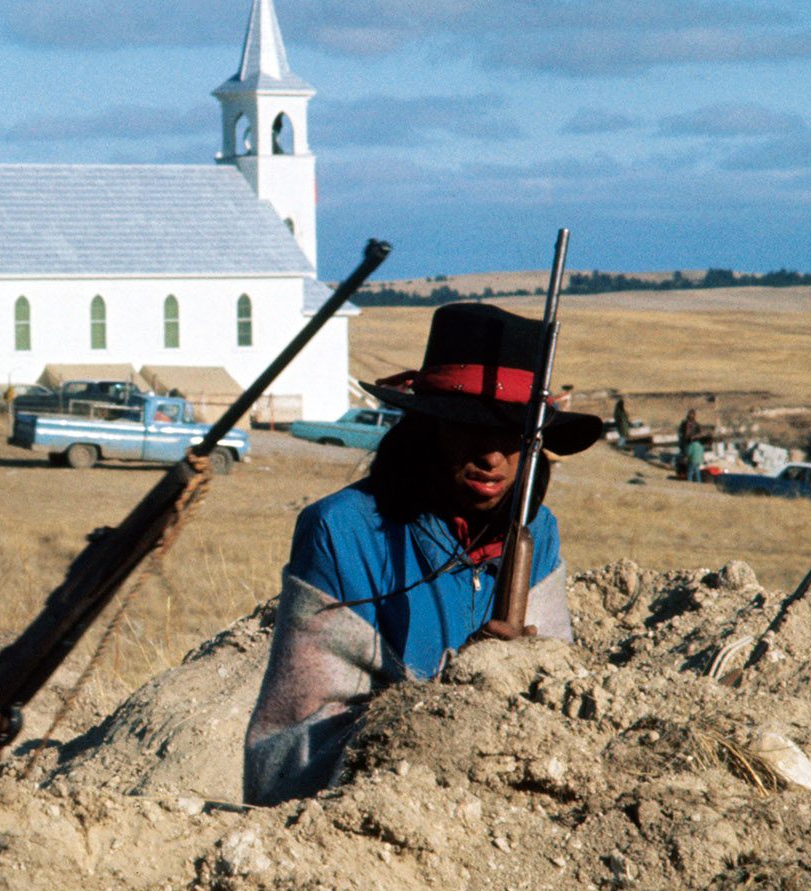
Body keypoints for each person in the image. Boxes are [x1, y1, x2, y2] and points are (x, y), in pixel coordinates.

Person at [243, 302, 603, 806]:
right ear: (426, 427)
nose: (492, 456)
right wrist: (459, 691)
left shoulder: (538, 535)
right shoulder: (341, 531)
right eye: (468, 427)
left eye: (512, 434)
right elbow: (283, 757)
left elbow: (558, 718)